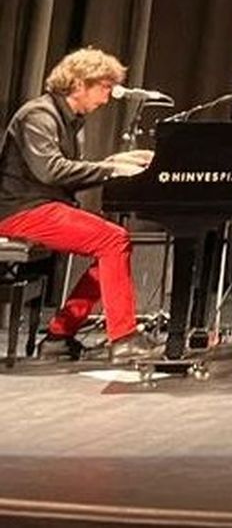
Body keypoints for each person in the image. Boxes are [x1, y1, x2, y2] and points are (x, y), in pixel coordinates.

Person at [0, 48, 154, 362]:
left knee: (114, 244)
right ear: (80, 83)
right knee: (113, 239)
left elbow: (67, 173)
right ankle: (123, 338)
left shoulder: (69, 120)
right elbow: (51, 170)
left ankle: (60, 335)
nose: (108, 97)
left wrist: (114, 161)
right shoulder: (38, 115)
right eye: (104, 87)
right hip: (20, 210)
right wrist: (111, 169)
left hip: (42, 205)